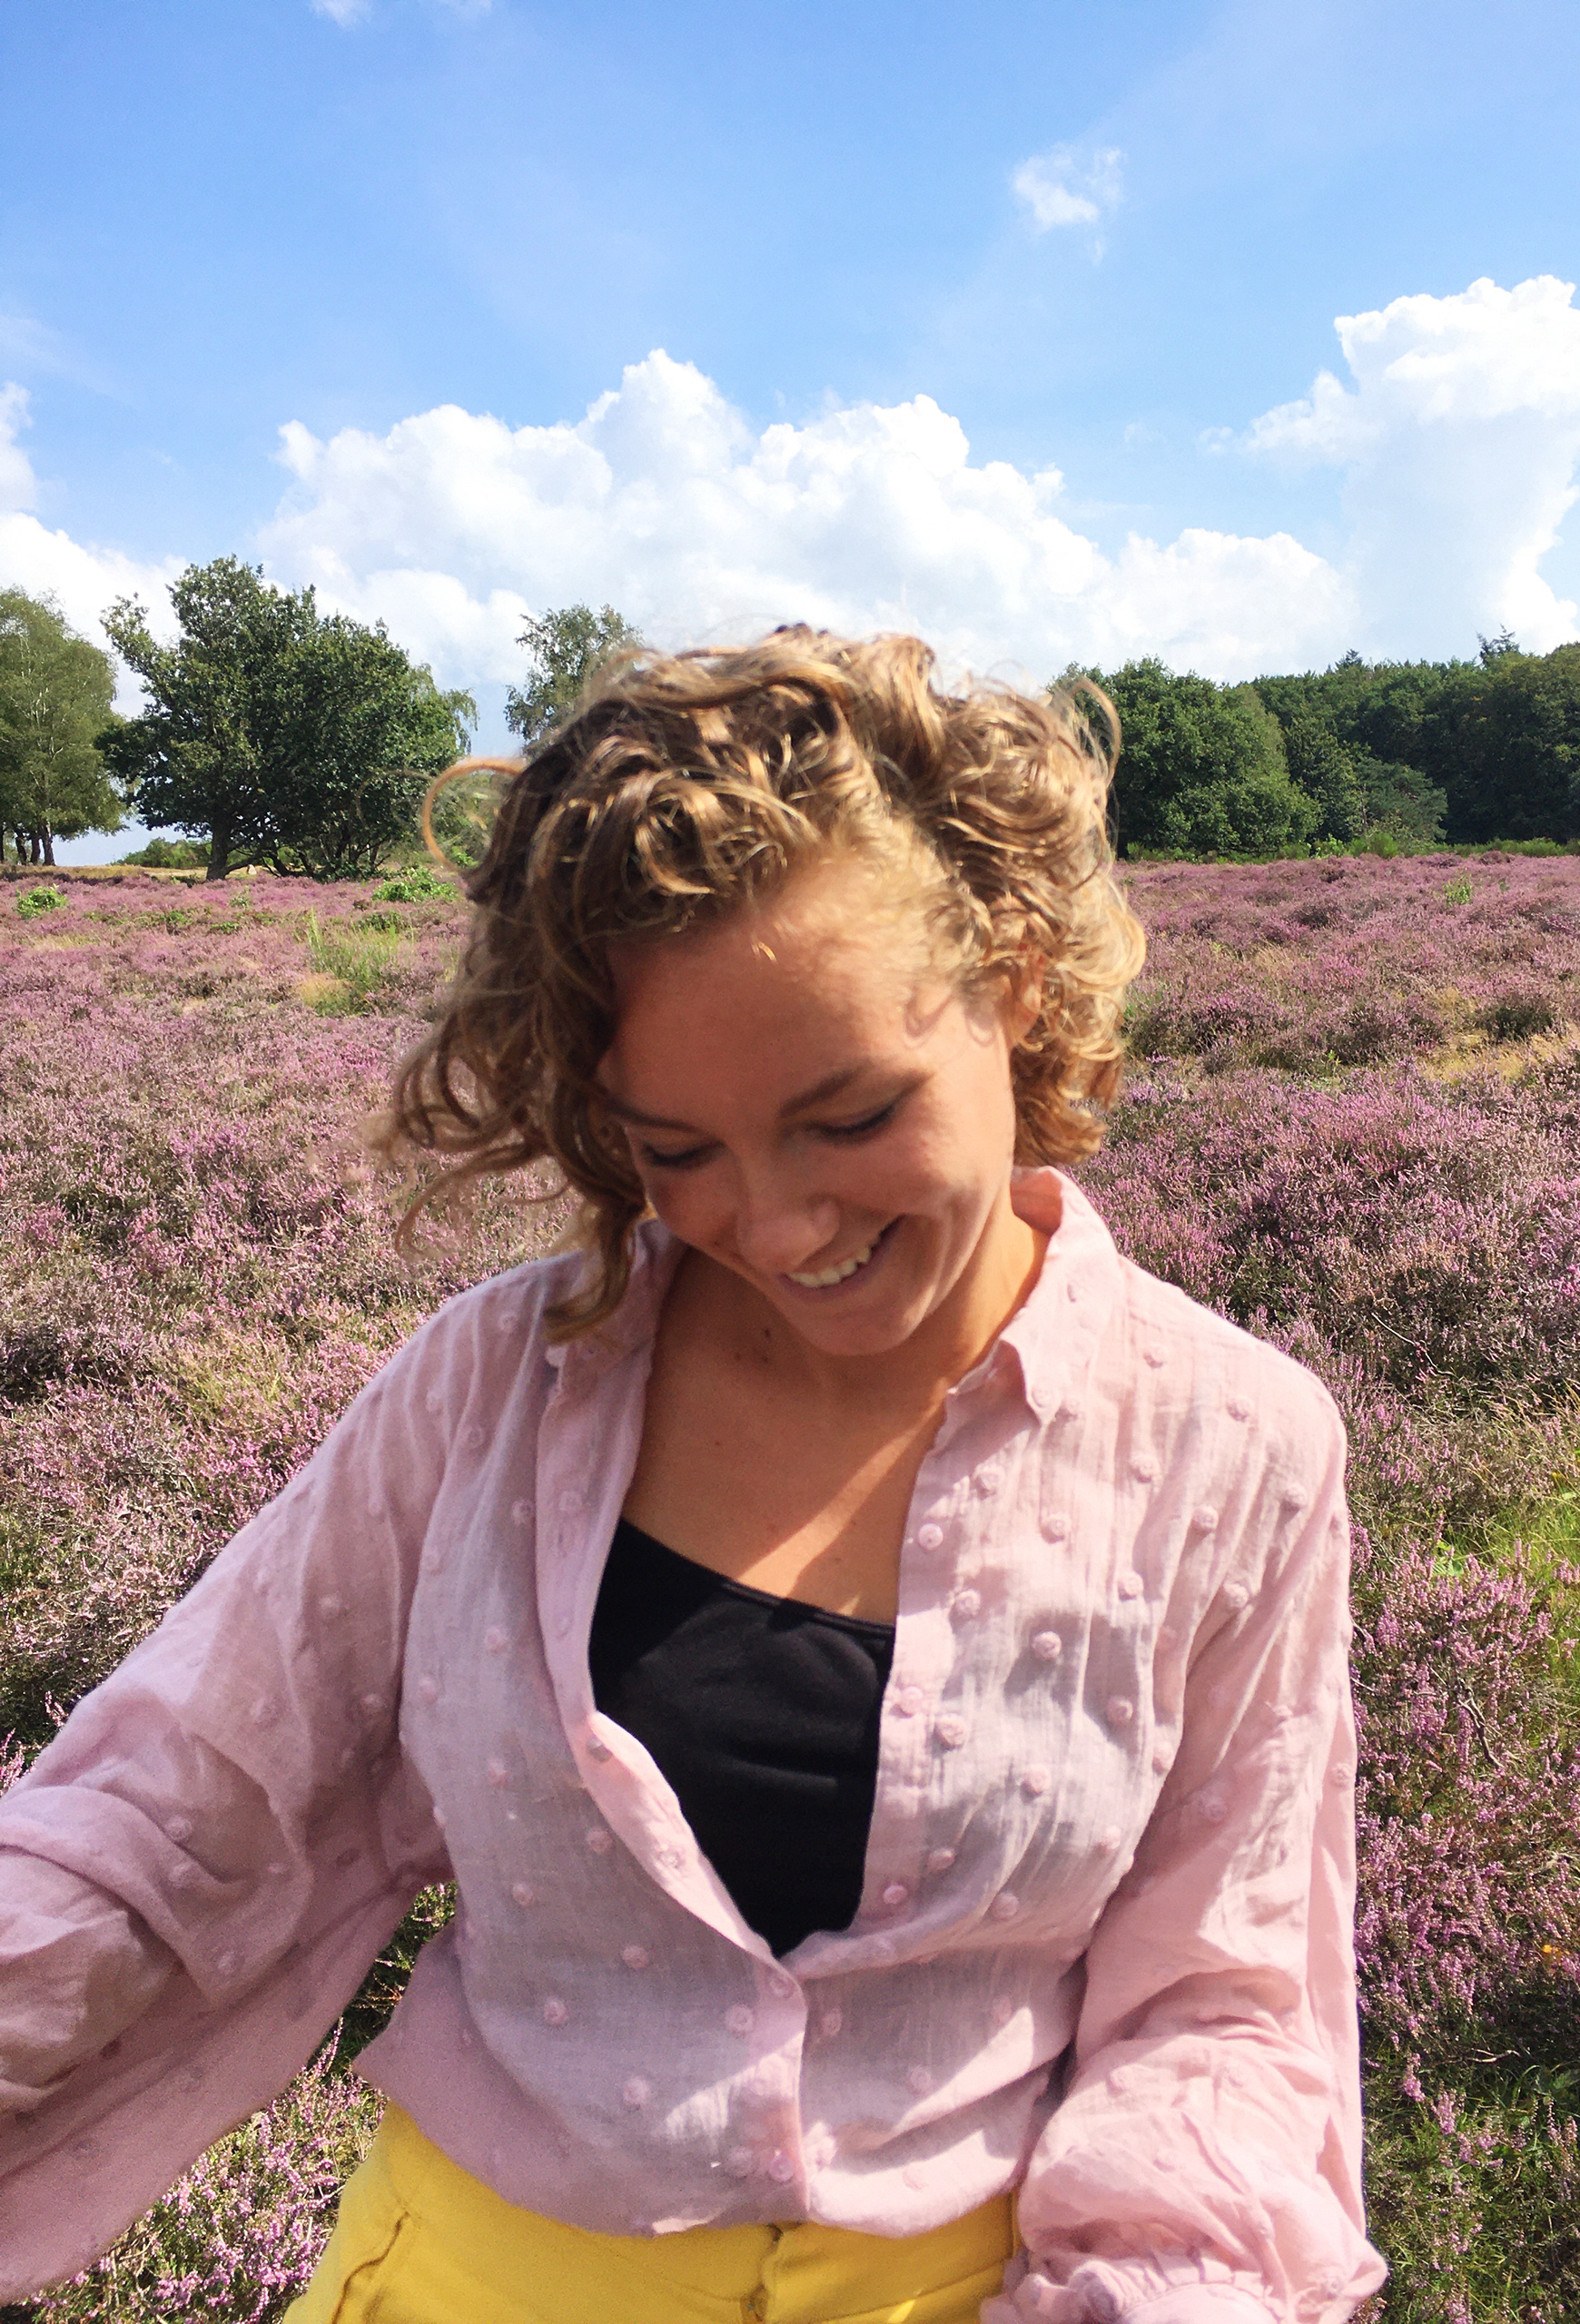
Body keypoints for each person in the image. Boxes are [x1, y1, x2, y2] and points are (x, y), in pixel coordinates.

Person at [0, 629, 1387, 2324]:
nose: (780, 1227)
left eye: (850, 1115)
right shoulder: (498, 1390)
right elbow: (165, 1811)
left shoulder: (1234, 1444)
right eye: (677, 1152)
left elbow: (1224, 2003)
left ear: (1016, 979)